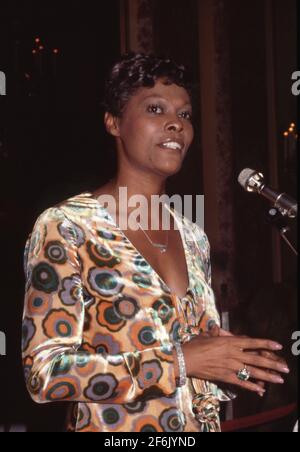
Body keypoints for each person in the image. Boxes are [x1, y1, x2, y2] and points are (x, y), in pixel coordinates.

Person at [22, 53, 289, 433]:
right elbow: (45, 374)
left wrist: (229, 361)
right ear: (114, 123)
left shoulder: (193, 237)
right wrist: (180, 361)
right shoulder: (67, 228)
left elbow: (196, 365)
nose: (175, 125)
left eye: (185, 115)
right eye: (155, 109)